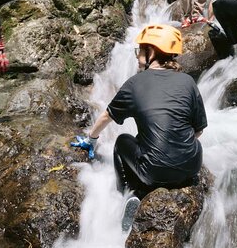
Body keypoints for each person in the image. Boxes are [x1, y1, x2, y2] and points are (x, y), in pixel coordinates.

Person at [85, 24, 207, 227]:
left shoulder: (135, 82)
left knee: (122, 140)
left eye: (139, 50)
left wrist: (91, 139)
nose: (136, 56)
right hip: (191, 166)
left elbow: (107, 116)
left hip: (154, 172)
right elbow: (199, 130)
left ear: (151, 52)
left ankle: (131, 195)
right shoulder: (188, 81)